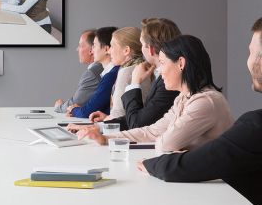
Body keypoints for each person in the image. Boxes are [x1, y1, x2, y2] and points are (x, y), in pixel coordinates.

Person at [138, 17, 262, 205]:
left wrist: (154, 163)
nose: (248, 61)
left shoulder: (254, 125)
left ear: (181, 63)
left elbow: (185, 165)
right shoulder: (183, 99)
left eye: (251, 52)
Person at [74, 35, 234, 153]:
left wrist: (174, 145)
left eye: (163, 63)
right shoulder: (183, 98)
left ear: (181, 63)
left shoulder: (205, 102)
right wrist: (106, 138)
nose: (160, 70)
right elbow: (152, 131)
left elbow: (165, 143)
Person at [90, 18, 181, 130]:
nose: (109, 51)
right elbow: (140, 116)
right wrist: (100, 126)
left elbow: (137, 123)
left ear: (151, 50)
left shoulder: (168, 81)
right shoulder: (159, 76)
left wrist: (135, 82)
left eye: (142, 44)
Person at [99, 27, 150, 120]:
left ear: (126, 50)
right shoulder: (144, 67)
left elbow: (118, 115)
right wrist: (107, 117)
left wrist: (98, 125)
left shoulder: (126, 72)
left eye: (112, 46)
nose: (109, 51)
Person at [67, 27, 119, 118]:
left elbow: (87, 111)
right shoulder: (110, 73)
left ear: (106, 49)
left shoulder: (110, 75)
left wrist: (73, 110)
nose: (92, 50)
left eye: (94, 45)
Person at [54, 29, 103, 112]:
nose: (77, 49)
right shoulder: (99, 69)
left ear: (92, 50)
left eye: (80, 45)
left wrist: (59, 107)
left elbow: (76, 102)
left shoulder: (92, 73)